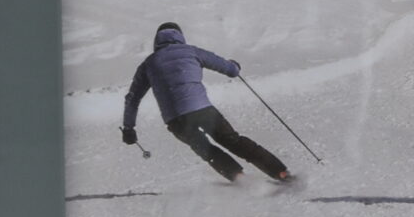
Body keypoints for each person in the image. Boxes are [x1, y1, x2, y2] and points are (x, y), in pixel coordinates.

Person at [124, 23, 292, 181]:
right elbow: (231, 70)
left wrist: (128, 128)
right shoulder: (192, 52)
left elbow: (132, 99)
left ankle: (239, 178)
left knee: (205, 148)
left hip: (175, 119)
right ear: (180, 37)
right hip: (202, 110)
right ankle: (280, 172)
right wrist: (234, 65)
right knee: (233, 141)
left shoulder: (148, 64)